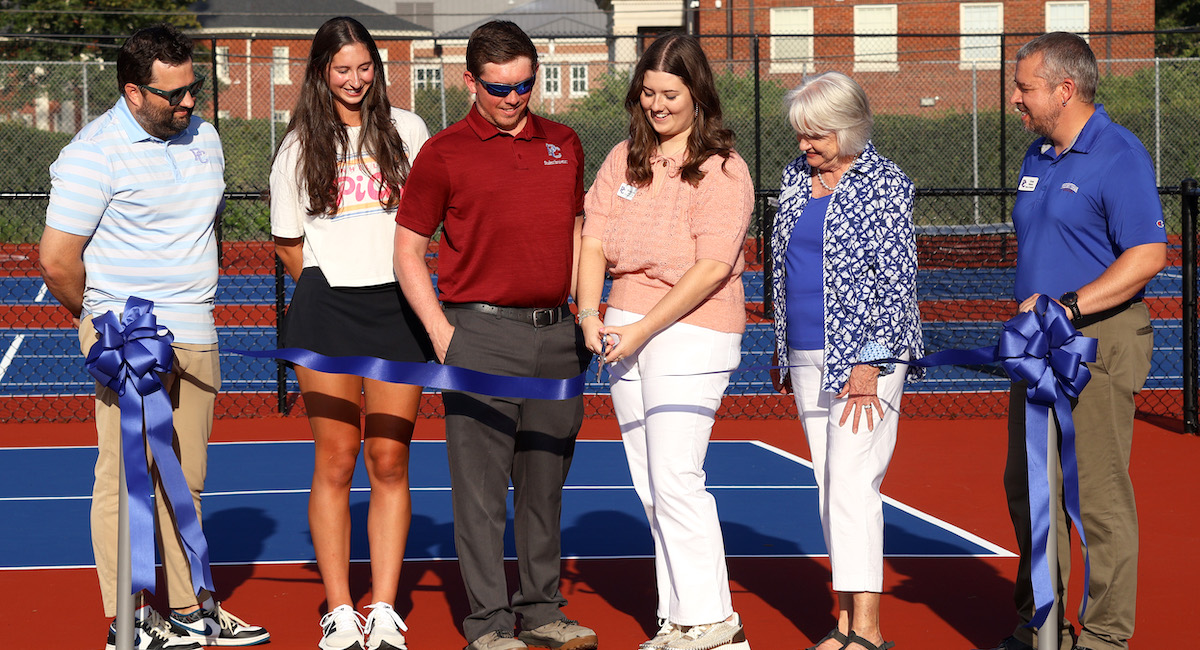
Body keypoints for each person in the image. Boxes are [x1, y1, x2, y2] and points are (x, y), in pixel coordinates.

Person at [38, 23, 269, 650]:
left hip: (196, 331)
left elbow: (204, 229)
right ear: (134, 92)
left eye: (192, 88)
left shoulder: (208, 138)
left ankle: (191, 610)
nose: (188, 102)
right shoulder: (94, 151)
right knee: (125, 478)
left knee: (186, 478)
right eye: (174, 95)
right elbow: (58, 260)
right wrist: (101, 323)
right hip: (127, 341)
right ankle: (129, 621)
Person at [392, 20, 597, 650]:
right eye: (500, 87)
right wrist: (439, 331)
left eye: (525, 85)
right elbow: (407, 252)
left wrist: (581, 314)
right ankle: (488, 624)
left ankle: (540, 613)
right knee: (480, 496)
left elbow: (580, 230)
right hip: (477, 336)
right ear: (470, 81)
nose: (514, 98)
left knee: (544, 487)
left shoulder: (564, 140)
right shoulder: (444, 153)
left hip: (555, 337)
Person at [974, 32, 1167, 650]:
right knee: (1027, 486)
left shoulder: (1119, 154)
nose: (1013, 98)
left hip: (1097, 344)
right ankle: (1044, 625)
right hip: (1038, 350)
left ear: (1065, 89)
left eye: (1023, 87)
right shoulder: (1037, 155)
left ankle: (1106, 636)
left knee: (1098, 494)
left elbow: (1148, 255)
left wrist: (1069, 306)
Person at [575, 33, 754, 650]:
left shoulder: (723, 168)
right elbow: (592, 239)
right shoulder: (623, 156)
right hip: (621, 326)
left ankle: (713, 621)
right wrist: (588, 312)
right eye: (648, 92)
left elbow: (710, 267)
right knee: (651, 483)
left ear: (697, 94)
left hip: (691, 330)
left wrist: (641, 330)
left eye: (669, 93)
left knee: (677, 476)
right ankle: (680, 618)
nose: (656, 104)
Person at [268, 16, 433, 650]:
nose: (356, 79)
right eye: (343, 69)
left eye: (366, 67)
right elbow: (288, 243)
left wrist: (389, 280)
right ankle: (339, 609)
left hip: (397, 309)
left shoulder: (409, 131)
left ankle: (385, 608)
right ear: (321, 73)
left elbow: (426, 223)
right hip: (326, 310)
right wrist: (332, 285)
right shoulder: (298, 144)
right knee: (335, 461)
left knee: (389, 459)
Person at [768, 72, 922, 650]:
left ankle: (871, 631)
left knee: (855, 483)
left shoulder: (885, 183)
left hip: (865, 361)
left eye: (817, 136)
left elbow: (894, 278)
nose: (805, 147)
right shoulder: (792, 179)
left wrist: (868, 361)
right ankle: (844, 622)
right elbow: (787, 267)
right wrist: (785, 351)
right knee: (831, 484)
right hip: (807, 353)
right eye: (801, 135)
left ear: (850, 127)